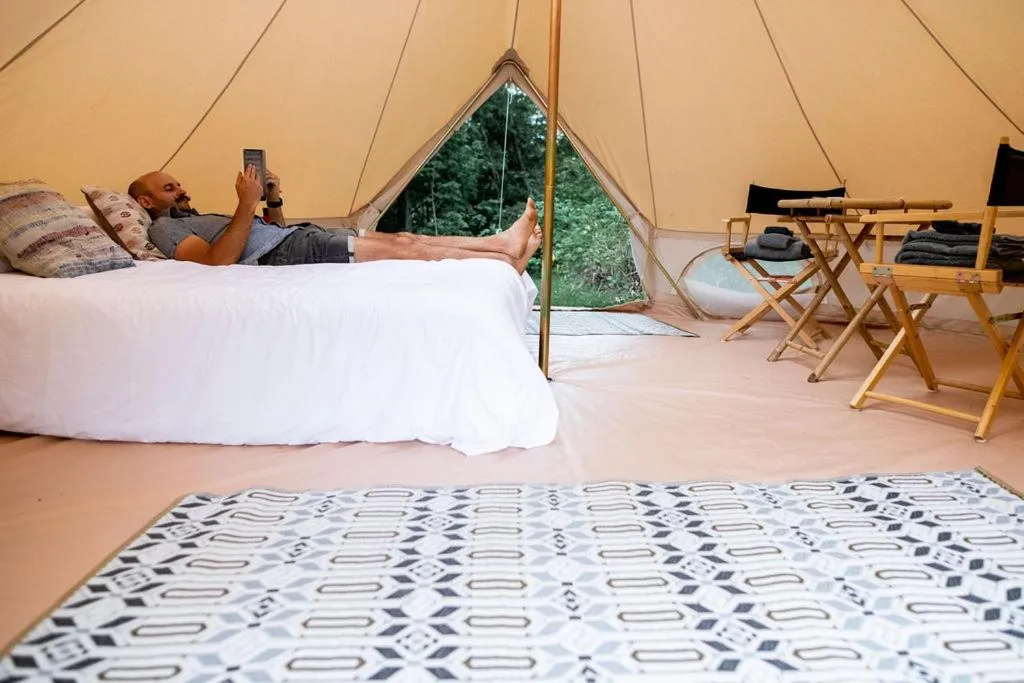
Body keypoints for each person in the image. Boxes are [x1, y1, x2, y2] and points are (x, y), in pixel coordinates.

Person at [127, 166, 541, 273]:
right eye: (168, 189)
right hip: (289, 254)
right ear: (145, 201)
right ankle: (503, 255)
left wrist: (270, 200)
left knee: (407, 238)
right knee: (406, 250)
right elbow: (216, 263)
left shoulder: (196, 216)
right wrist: (245, 205)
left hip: (296, 237)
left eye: (178, 184)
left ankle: (500, 247)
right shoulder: (164, 228)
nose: (180, 190)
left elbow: (270, 227)